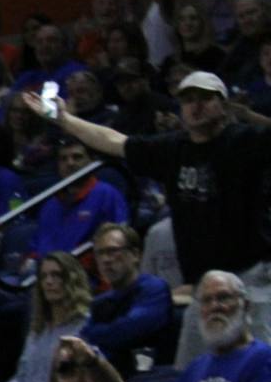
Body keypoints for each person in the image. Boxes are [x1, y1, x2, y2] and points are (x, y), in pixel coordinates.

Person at [27, 71, 271, 347]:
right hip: (203, 285)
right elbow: (114, 142)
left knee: (264, 364)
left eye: (205, 98)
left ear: (224, 106)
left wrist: (249, 115)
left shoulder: (246, 140)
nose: (196, 106)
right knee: (194, 377)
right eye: (188, 99)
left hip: (249, 276)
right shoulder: (173, 148)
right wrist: (64, 119)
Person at [165, 271, 271, 382]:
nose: (214, 306)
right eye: (206, 300)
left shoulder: (263, 360)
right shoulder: (194, 367)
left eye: (223, 298)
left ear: (246, 306)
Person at [81, 222, 176, 370]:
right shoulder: (99, 303)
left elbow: (130, 330)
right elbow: (85, 339)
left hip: (151, 377)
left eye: (112, 251)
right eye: (100, 253)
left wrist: (97, 334)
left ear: (135, 255)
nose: (106, 260)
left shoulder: (154, 289)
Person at [7, 251, 92, 382]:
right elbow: (21, 377)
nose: (48, 282)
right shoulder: (37, 329)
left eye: (56, 275)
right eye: (44, 277)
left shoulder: (85, 325)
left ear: (72, 279)